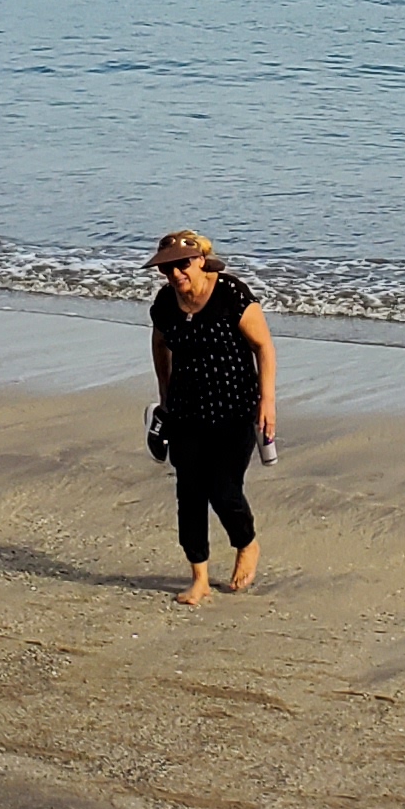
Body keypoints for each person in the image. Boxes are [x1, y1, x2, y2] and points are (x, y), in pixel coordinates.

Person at [148, 228, 277, 606]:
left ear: (200, 260)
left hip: (235, 409)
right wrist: (164, 393)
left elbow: (263, 346)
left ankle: (246, 543)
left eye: (181, 265)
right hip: (186, 410)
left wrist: (267, 400)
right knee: (189, 494)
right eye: (167, 269)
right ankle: (199, 578)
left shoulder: (231, 295)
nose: (175, 275)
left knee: (223, 490)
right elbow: (159, 345)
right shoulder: (165, 304)